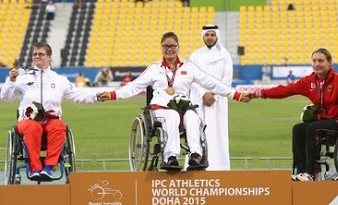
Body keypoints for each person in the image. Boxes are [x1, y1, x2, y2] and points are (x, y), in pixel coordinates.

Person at [98, 31, 250, 172]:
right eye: (166, 46)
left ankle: (195, 156)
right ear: (161, 47)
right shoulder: (154, 68)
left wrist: (234, 94)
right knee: (172, 116)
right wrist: (112, 94)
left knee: (192, 118)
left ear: (178, 47)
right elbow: (133, 87)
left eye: (172, 46)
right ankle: (171, 157)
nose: (169, 49)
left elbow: (211, 82)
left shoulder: (188, 66)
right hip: (161, 108)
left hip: (184, 107)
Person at [247, 48, 338, 181]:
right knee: (298, 129)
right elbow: (285, 90)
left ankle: (310, 172)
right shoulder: (309, 81)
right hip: (325, 120)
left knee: (312, 128)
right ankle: (301, 172)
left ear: (329, 63)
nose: (317, 64)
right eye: (314, 61)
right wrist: (259, 93)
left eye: (321, 61)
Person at [0, 42, 103, 180]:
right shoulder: (22, 79)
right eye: (35, 54)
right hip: (28, 121)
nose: (37, 56)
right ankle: (35, 168)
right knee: (32, 126)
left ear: (49, 57)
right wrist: (11, 81)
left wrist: (95, 96)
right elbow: (5, 96)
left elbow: (78, 95)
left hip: (51, 119)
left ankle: (49, 167)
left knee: (59, 126)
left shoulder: (60, 80)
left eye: (41, 54)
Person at [188, 25, 233, 171]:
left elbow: (226, 80)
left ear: (217, 36)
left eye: (212, 35)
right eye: (207, 35)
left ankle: (219, 166)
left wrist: (214, 94)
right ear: (203, 37)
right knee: (196, 129)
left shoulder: (225, 55)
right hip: (198, 99)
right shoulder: (195, 55)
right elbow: (190, 78)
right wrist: (204, 93)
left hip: (217, 101)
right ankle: (196, 161)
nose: (209, 37)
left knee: (217, 132)